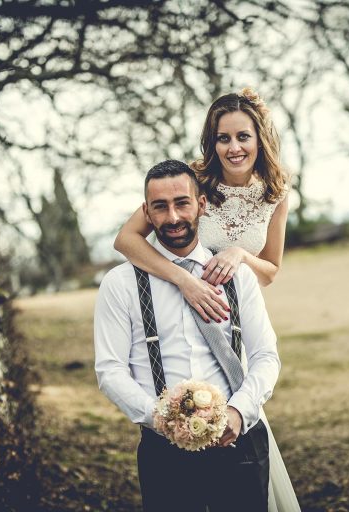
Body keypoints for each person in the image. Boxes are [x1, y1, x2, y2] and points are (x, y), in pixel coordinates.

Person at [114, 88, 300, 512]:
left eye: (243, 136)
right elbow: (126, 240)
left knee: (243, 434)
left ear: (260, 139)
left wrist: (237, 255)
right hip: (179, 304)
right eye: (223, 138)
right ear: (210, 142)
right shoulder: (193, 184)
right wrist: (184, 281)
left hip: (232, 314)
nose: (234, 148)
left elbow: (270, 271)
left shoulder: (277, 193)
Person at [94, 160, 281, 511]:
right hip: (164, 452)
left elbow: (265, 356)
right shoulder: (120, 285)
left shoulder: (237, 277)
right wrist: (160, 419)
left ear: (201, 205)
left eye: (182, 203)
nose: (173, 217)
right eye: (161, 207)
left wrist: (239, 412)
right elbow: (110, 370)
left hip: (240, 443)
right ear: (146, 212)